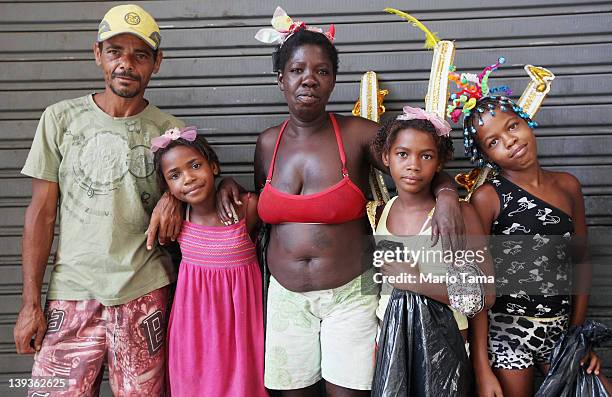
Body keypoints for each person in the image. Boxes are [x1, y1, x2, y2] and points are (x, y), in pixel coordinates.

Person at [218, 8, 466, 396]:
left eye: (322, 71)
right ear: (280, 78)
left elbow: (418, 157)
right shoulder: (267, 143)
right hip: (286, 295)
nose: (309, 80)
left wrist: (448, 194)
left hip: (351, 293)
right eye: (297, 70)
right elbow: (259, 209)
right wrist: (224, 185)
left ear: (333, 81)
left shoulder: (357, 135)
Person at [14, 5, 183, 395]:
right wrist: (30, 304)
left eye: (140, 54)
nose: (126, 64)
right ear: (97, 54)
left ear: (156, 63)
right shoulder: (59, 119)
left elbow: (202, 186)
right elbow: (40, 214)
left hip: (143, 295)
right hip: (71, 295)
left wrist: (174, 199)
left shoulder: (170, 131)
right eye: (115, 52)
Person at [450, 62, 607, 396]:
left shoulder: (567, 186)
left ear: (527, 122)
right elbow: (478, 287)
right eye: (493, 141)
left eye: (513, 126)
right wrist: (482, 367)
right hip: (507, 334)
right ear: (485, 157)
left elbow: (581, 265)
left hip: (561, 331)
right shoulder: (488, 198)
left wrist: (578, 338)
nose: (510, 141)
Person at [370, 107, 495, 396]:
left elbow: (486, 296)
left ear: (439, 163)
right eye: (403, 154)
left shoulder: (459, 214)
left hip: (444, 347)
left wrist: (417, 283)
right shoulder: (382, 212)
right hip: (391, 346)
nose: (413, 165)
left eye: (425, 156)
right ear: (386, 157)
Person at [151, 128, 267, 396]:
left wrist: (231, 183)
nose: (188, 178)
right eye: (175, 175)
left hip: (240, 325)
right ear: (167, 189)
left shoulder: (246, 207)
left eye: (195, 166)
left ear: (213, 166)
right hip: (193, 326)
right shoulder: (177, 219)